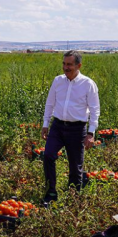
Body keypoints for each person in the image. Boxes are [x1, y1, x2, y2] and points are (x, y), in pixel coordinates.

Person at [41, 50, 100, 204]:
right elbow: (50, 103)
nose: (66, 68)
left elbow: (95, 110)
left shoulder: (88, 84)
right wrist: (45, 124)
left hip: (77, 129)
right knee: (48, 156)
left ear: (78, 65)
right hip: (58, 126)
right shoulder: (58, 81)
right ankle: (51, 192)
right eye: (64, 64)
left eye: (69, 65)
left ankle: (73, 197)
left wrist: (91, 133)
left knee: (75, 166)